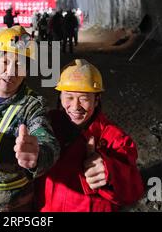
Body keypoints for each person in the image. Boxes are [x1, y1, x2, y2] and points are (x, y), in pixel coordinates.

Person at [0, 26, 60, 212]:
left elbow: (47, 140)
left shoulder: (32, 106)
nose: (10, 72)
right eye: (5, 62)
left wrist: (38, 155)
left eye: (19, 65)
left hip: (11, 209)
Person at [36, 59, 145, 212]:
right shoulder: (46, 126)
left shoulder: (115, 139)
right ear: (60, 97)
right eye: (69, 97)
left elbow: (134, 190)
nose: (75, 106)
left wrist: (110, 172)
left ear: (96, 100)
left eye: (84, 98)